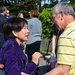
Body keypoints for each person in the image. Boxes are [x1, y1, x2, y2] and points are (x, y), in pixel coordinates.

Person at [44, 2, 75, 75]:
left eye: (54, 18)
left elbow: (63, 70)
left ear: (61, 14)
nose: (53, 23)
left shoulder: (66, 36)